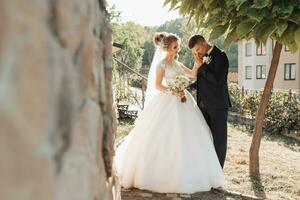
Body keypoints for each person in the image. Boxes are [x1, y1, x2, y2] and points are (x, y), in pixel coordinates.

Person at [114, 32, 225, 194]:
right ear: (167, 48)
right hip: (168, 99)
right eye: (175, 47)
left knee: (190, 135)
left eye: (178, 46)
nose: (178, 49)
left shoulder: (178, 64)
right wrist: (173, 91)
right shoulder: (161, 65)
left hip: (184, 101)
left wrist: (196, 65)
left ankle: (190, 172)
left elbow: (192, 75)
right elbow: (158, 86)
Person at [188, 34, 231, 168]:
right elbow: (201, 82)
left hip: (218, 106)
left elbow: (218, 80)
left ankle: (218, 172)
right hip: (202, 106)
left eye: (197, 49)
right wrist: (183, 86)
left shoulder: (221, 56)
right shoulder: (201, 59)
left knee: (219, 140)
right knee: (205, 138)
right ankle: (207, 170)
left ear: (203, 43)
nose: (197, 53)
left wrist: (203, 67)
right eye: (195, 51)